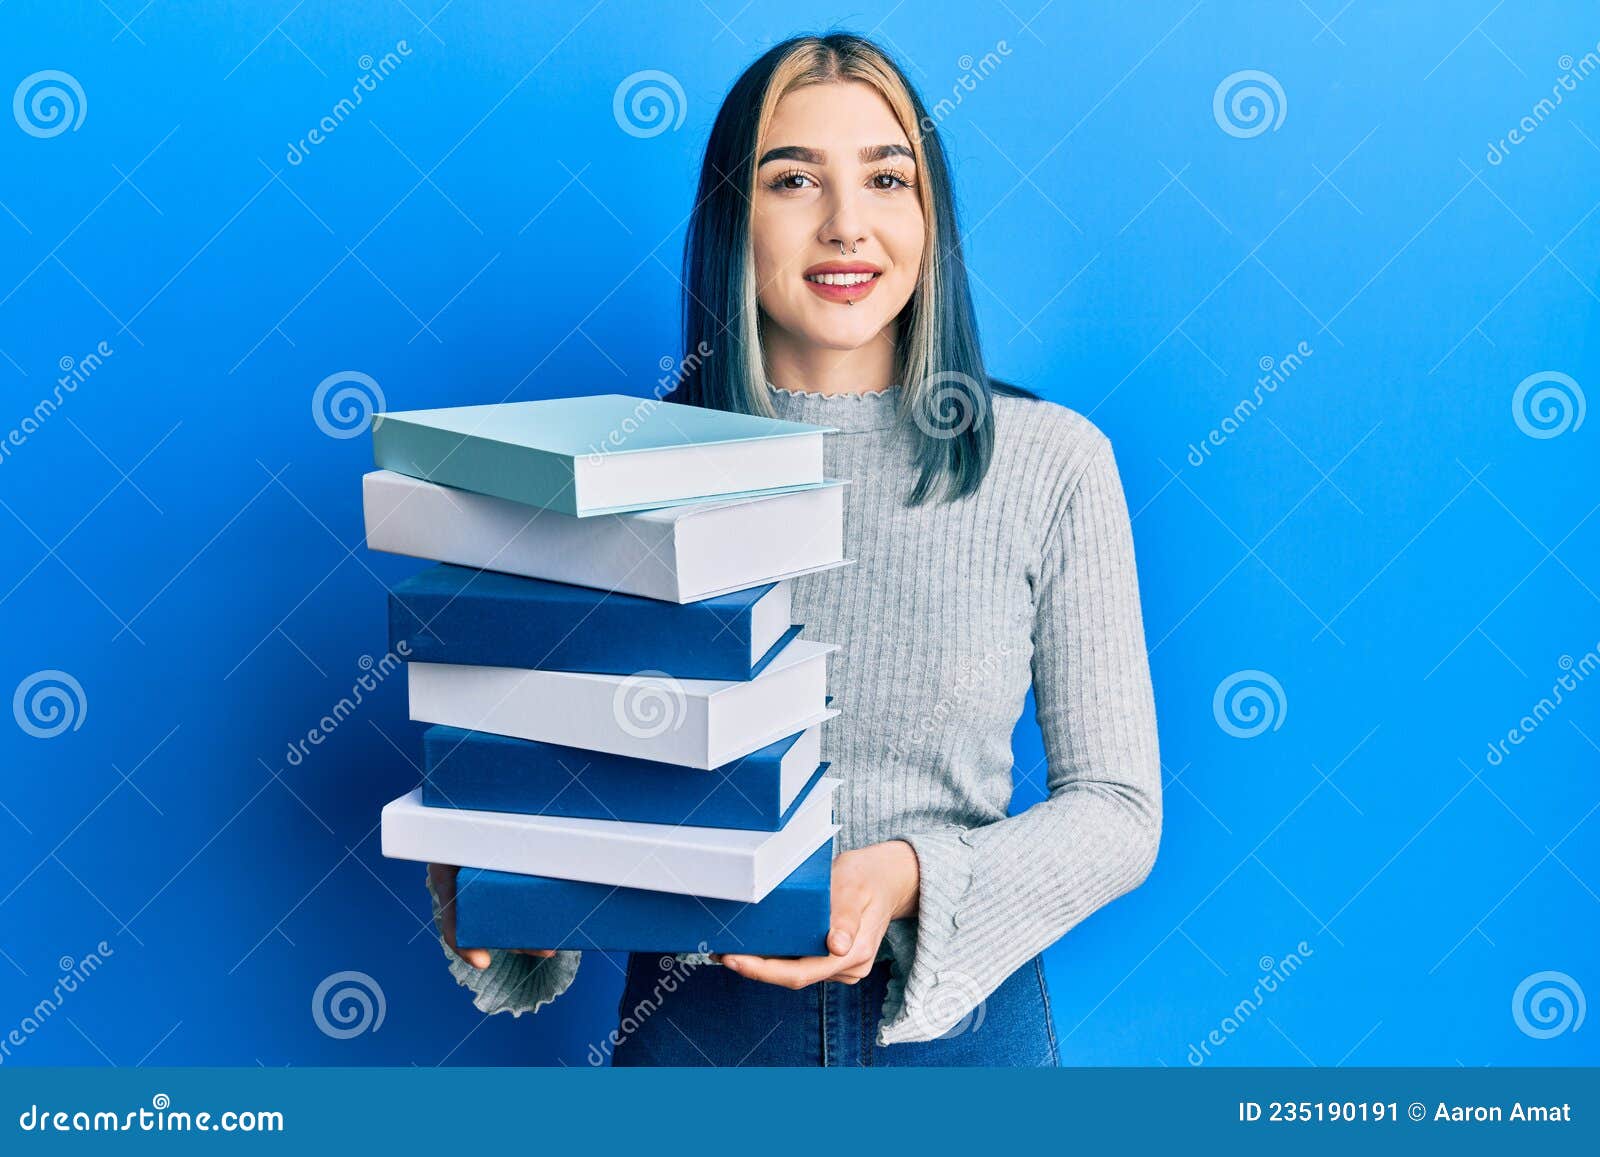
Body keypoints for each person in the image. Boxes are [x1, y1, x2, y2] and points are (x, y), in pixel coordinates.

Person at [425, 31, 1162, 1067]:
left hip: (959, 1038)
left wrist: (903, 874)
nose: (846, 224)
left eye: (885, 178)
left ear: (928, 215)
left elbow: (1117, 810)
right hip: (694, 1036)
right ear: (735, 214)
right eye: (793, 180)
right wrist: (508, 899)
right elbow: (565, 799)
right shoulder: (617, 473)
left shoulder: (1051, 463)